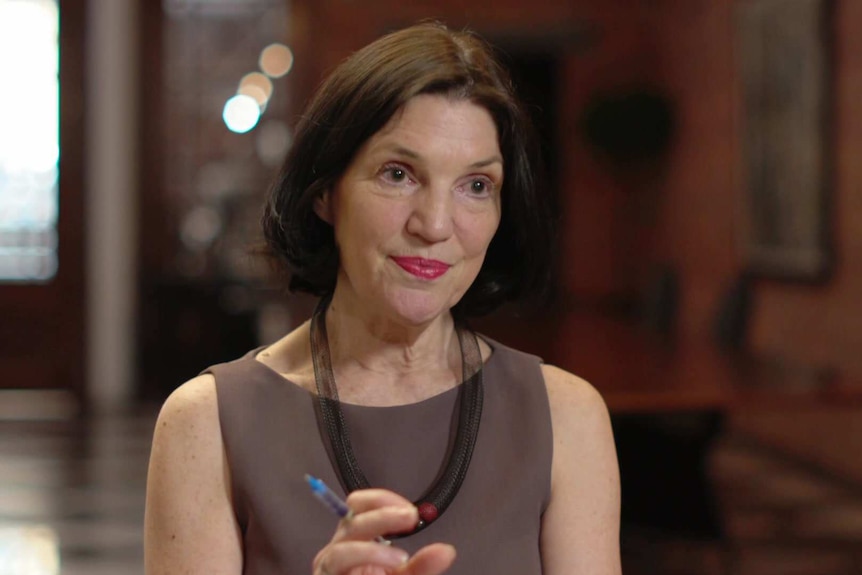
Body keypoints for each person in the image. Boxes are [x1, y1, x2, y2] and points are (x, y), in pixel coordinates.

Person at [144, 21, 621, 575]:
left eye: (476, 185)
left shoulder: (567, 416)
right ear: (325, 191)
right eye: (398, 174)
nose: (436, 224)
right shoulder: (207, 423)